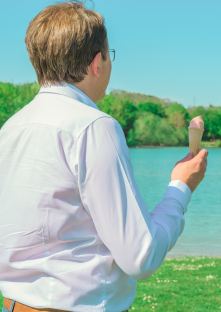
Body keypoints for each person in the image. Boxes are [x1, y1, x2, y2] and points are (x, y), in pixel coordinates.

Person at [0, 2, 208, 311]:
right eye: (109, 56)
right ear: (97, 62)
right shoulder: (94, 126)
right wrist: (181, 188)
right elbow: (140, 256)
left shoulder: (11, 128)